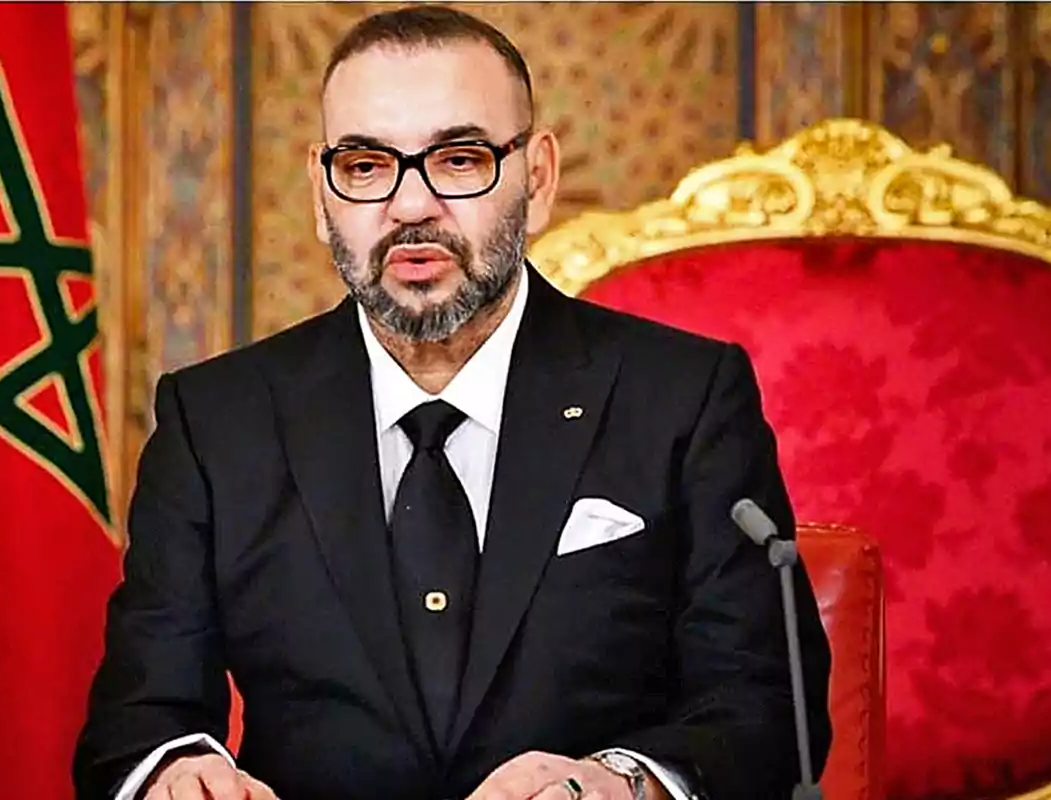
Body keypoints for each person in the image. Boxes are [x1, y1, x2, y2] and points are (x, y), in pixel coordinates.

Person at [73, 6, 832, 800]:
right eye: (365, 166)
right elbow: (135, 723)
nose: (408, 207)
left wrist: (623, 785)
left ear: (537, 180)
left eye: (459, 159)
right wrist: (174, 773)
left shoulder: (683, 398)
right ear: (319, 189)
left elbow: (769, 707)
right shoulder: (215, 422)